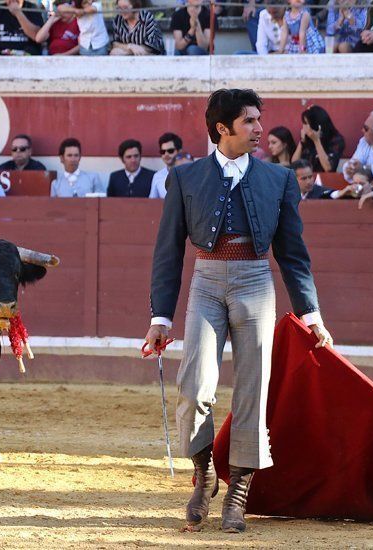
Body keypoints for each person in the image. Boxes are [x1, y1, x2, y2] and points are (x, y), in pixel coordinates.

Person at [145, 88, 332, 534]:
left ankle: (239, 493)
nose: (259, 128)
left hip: (255, 282)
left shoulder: (279, 179)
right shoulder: (186, 178)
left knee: (253, 390)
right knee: (195, 385)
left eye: (258, 119)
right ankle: (204, 472)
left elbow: (293, 254)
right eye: (249, 121)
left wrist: (311, 315)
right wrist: (160, 319)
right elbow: (167, 251)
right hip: (206, 282)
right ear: (222, 128)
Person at [291, 105, 345, 173]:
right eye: (304, 123)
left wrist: (316, 141)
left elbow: (328, 168)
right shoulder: (307, 139)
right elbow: (294, 164)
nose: (304, 127)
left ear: (317, 125)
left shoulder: (336, 140)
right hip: (306, 178)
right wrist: (302, 141)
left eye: (307, 123)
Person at [150, 132, 183, 199]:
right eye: (163, 151)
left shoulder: (189, 173)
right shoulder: (157, 176)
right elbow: (152, 202)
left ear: (179, 151)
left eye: (170, 151)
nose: (166, 154)